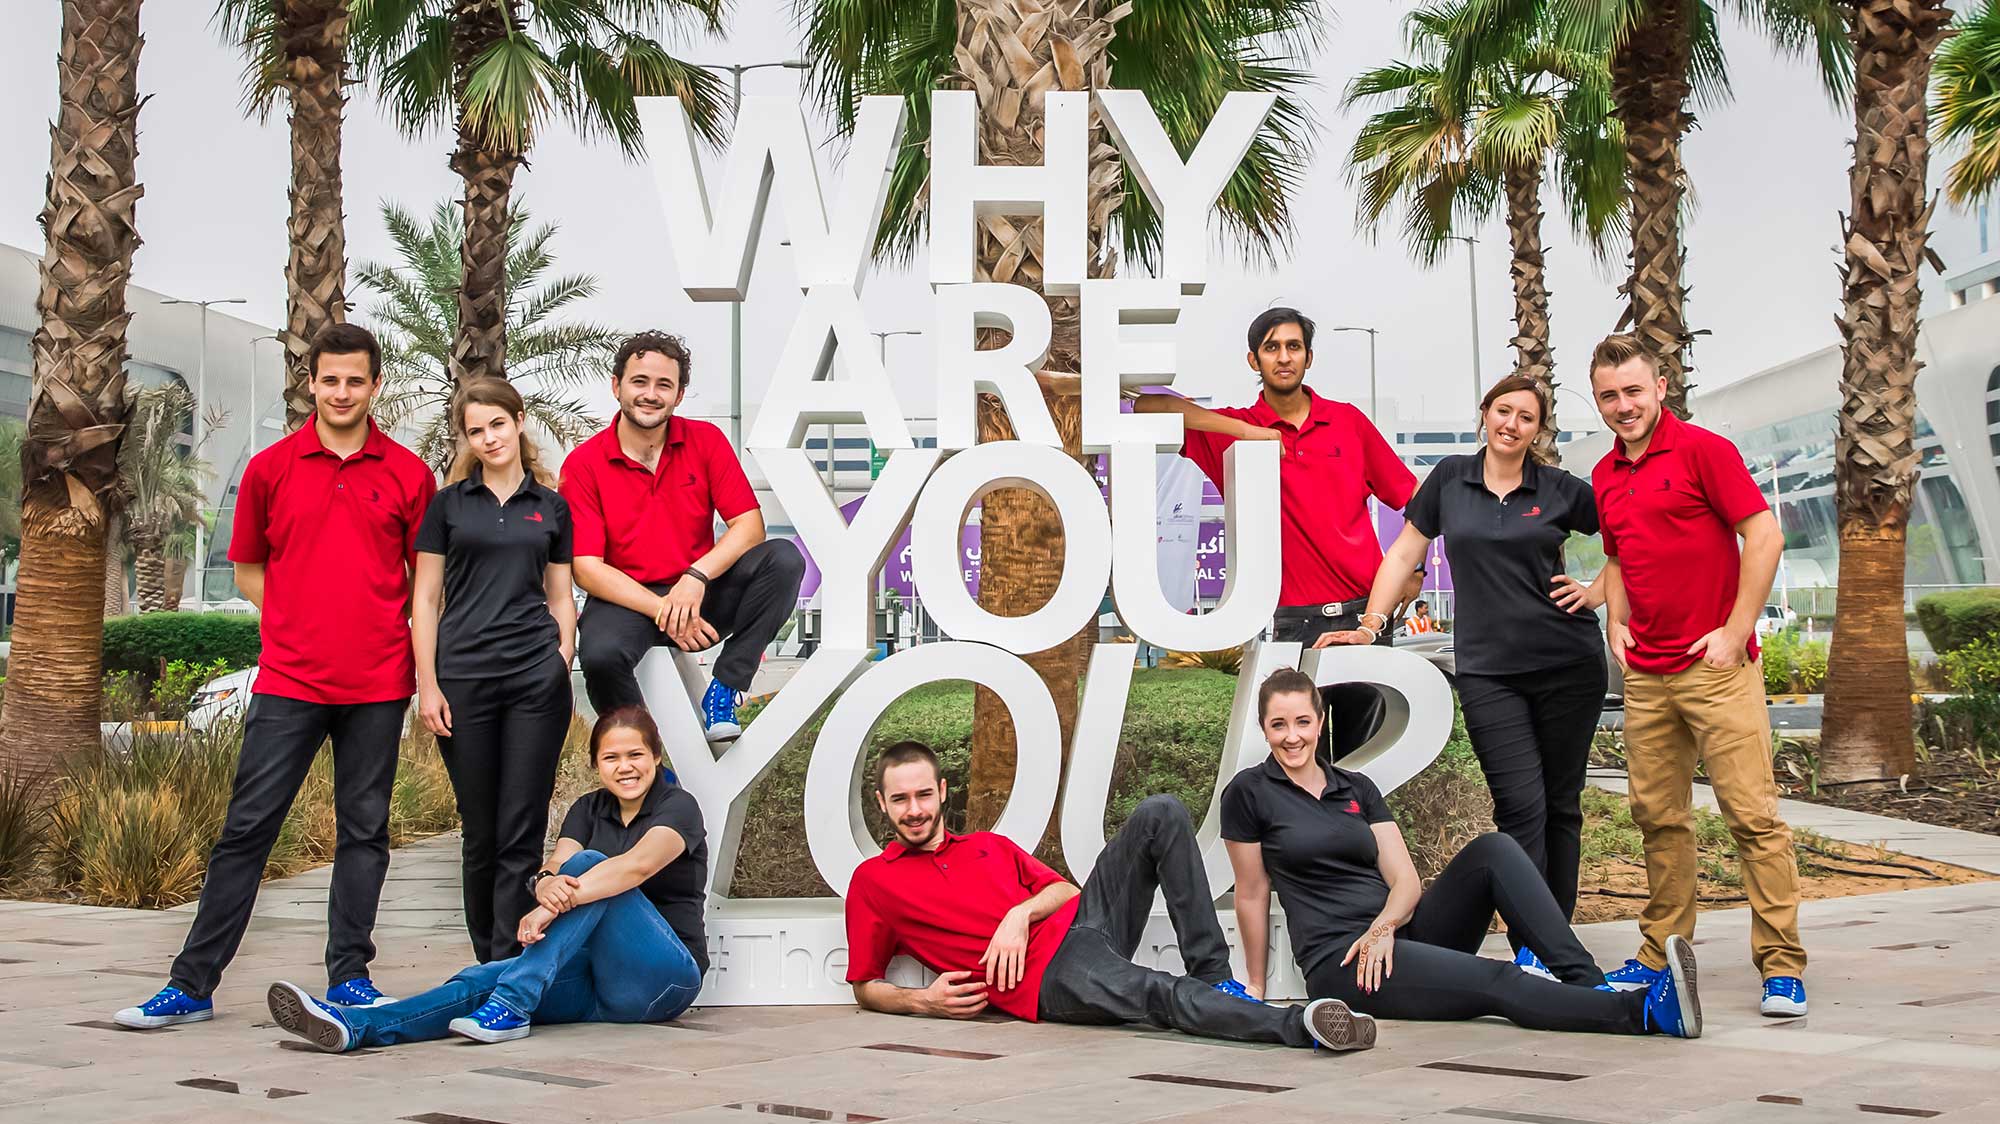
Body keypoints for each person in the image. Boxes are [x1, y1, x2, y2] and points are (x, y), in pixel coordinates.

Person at [115, 324, 438, 1028]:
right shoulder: (270, 467)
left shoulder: (410, 475)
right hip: (290, 679)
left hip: (378, 684)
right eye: (330, 380)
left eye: (356, 380)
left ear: (375, 385)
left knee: (365, 833)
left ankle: (351, 977)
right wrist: (294, 619)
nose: (342, 392)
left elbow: (423, 583)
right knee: (246, 830)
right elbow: (248, 568)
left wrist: (415, 662)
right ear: (312, 384)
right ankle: (192, 985)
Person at [1222, 669, 1703, 1038]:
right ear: (1264, 728)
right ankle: (1642, 1013)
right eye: (1278, 724)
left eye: (1302, 721)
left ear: (1319, 721)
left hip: (1400, 933)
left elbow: (1406, 882)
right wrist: (1257, 988)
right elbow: (1251, 893)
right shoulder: (1250, 793)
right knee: (1498, 981)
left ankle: (1588, 984)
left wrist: (1384, 926)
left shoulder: (1356, 787)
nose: (1292, 736)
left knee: (1494, 849)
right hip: (1347, 961)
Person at [845, 741, 1375, 1052]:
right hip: (1048, 977)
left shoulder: (988, 846)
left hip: (1088, 923)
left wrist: (1018, 913)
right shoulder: (874, 882)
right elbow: (865, 986)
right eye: (900, 799)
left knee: (1161, 812)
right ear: (882, 804)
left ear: (941, 792)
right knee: (1159, 993)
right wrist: (923, 1002)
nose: (913, 809)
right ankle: (1304, 1026)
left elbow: (1062, 890)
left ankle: (1215, 979)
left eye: (922, 794)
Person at [1328, 375, 1608, 955]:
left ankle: (1552, 942)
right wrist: (1370, 624)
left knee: (1561, 805)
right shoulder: (1451, 478)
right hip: (1489, 673)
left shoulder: (1560, 489)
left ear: (1538, 429)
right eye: (1503, 411)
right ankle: (1534, 943)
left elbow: (1629, 533)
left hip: (1568, 665)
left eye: (1526, 417)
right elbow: (1405, 551)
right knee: (1518, 806)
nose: (1511, 424)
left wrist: (1597, 591)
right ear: (1484, 414)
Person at [264, 706, 709, 1050]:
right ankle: (357, 1028)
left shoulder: (678, 807)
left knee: (597, 868)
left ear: (655, 757)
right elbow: (557, 865)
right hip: (596, 985)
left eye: (636, 755)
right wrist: (542, 886)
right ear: (596, 764)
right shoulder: (588, 809)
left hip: (661, 981)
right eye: (611, 757)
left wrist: (550, 903)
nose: (625, 767)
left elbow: (636, 867)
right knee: (479, 980)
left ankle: (514, 1003)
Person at [1586, 335, 1807, 1017]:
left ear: (1660, 386)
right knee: (1658, 819)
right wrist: (1613, 624)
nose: (1623, 406)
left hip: (1716, 669)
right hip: (1647, 675)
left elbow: (1763, 536)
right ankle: (1661, 953)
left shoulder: (1704, 451)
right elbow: (1620, 558)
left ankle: (1782, 968)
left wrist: (1737, 632)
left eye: (1633, 391)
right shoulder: (1604, 474)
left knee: (1752, 817)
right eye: (1608, 396)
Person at [1137, 307, 1419, 758]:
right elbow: (1148, 406)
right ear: (1254, 361)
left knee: (1364, 764)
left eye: (1293, 346)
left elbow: (1416, 502)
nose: (1283, 357)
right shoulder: (1232, 432)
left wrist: (1415, 569)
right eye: (1271, 348)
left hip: (1364, 615)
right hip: (1293, 621)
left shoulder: (1348, 423)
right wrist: (1247, 431)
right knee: (1298, 764)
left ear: (1309, 357)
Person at [561, 331, 805, 740]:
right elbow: (586, 569)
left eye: (664, 385)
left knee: (783, 559)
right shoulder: (584, 463)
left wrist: (695, 577)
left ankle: (725, 689)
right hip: (627, 600)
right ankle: (642, 751)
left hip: (698, 595)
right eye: (639, 382)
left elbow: (749, 525)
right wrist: (661, 609)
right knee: (600, 656)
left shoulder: (705, 441)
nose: (650, 394)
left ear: (679, 395)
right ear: (616, 385)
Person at [413, 379, 578, 962]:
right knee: (481, 828)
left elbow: (561, 597)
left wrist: (559, 662)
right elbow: (426, 600)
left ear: (519, 421)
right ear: (467, 437)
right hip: (464, 682)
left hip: (536, 681)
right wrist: (427, 686)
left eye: (498, 425)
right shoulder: (448, 505)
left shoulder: (550, 507)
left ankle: (514, 956)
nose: (489, 438)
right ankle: (488, 957)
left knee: (523, 824)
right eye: (476, 430)